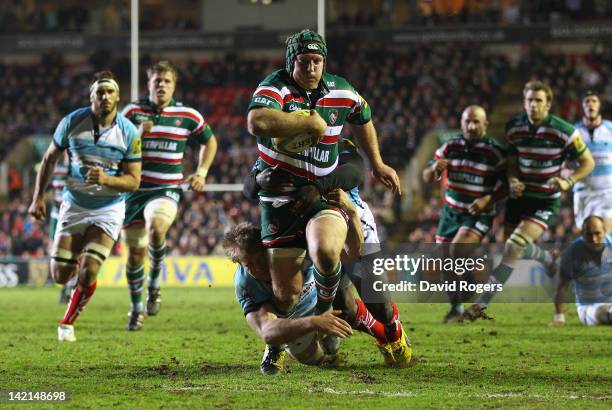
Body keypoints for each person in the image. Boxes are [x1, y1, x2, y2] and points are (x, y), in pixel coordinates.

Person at [246, 29, 400, 319]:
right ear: (292, 61)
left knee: (369, 292)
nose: (311, 68)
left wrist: (378, 164)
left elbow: (363, 120)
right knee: (286, 296)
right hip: (284, 203)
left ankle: (377, 328)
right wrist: (304, 124)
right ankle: (306, 326)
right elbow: (255, 121)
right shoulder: (275, 88)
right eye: (304, 61)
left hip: (331, 198)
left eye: (317, 61)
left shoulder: (340, 99)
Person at [244, 139, 410, 369]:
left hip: (350, 219)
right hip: (300, 228)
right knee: (287, 289)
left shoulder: (335, 141)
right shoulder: (281, 146)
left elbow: (354, 172)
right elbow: (249, 186)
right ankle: (276, 344)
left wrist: (319, 188)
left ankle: (391, 331)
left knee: (376, 305)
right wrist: (258, 179)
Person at [225, 190, 410, 374]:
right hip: (294, 318)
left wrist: (351, 215)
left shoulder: (291, 248)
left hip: (321, 289)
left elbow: (350, 254)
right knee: (312, 357)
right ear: (239, 265)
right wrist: (315, 322)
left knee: (349, 308)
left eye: (261, 259)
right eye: (250, 265)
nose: (259, 268)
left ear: (268, 248)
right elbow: (266, 329)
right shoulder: (246, 284)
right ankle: (276, 347)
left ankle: (386, 336)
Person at [465, 81, 595, 318]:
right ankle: (546, 258)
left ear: (548, 104)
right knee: (512, 247)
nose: (533, 105)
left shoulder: (564, 131)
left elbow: (588, 162)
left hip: (545, 200)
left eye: (538, 101)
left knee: (514, 247)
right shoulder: (514, 127)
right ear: (524, 102)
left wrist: (568, 181)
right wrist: (513, 180)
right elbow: (513, 163)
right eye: (529, 101)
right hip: (520, 196)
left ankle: (480, 304)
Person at [28, 71, 142, 342]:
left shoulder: (128, 132)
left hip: (108, 208)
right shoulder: (71, 122)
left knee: (90, 269)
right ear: (91, 96)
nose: (104, 97)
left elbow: (134, 181)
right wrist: (37, 198)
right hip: (74, 205)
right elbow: (48, 160)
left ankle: (67, 323)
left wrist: (105, 179)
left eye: (109, 92)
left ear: (117, 97)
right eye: (99, 92)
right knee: (59, 275)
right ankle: (78, 263)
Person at [121, 61, 218, 330]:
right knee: (133, 255)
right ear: (148, 84)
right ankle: (136, 307)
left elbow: (209, 141)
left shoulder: (188, 115)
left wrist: (202, 172)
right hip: (133, 191)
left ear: (173, 85)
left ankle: (154, 282)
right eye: (156, 81)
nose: (161, 85)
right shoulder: (132, 112)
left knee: (156, 228)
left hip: (166, 189)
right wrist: (136, 136)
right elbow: (114, 146)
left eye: (166, 81)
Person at [422, 106, 506, 322]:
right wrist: (434, 170)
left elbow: (507, 185)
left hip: (478, 214)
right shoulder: (450, 146)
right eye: (468, 121)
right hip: (451, 212)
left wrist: (488, 198)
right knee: (445, 261)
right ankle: (457, 307)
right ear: (461, 123)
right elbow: (426, 176)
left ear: (485, 125)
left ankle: (472, 287)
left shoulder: (495, 152)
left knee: (456, 250)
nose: (471, 126)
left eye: (477, 122)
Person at [549, 216, 612, 327]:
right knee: (603, 312)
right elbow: (562, 287)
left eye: (597, 233)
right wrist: (559, 318)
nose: (593, 239)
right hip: (589, 308)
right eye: (589, 234)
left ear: (605, 232)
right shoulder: (572, 253)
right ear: (582, 233)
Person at [571, 90, 612, 232]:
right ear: (582, 106)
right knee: (588, 236)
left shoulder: (610, 129)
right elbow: (564, 163)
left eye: (594, 101)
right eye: (587, 101)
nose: (590, 104)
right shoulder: (573, 132)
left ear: (599, 105)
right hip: (583, 192)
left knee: (605, 232)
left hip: (607, 192)